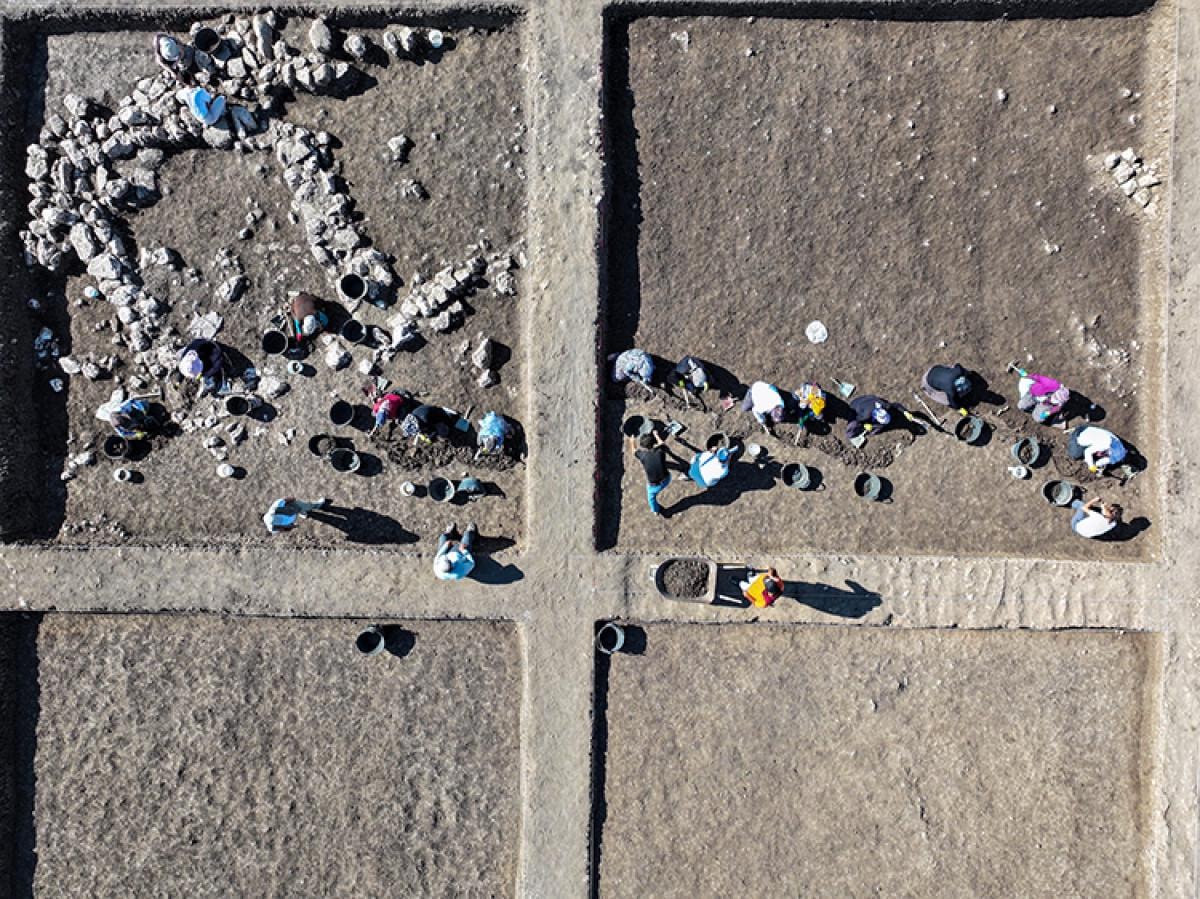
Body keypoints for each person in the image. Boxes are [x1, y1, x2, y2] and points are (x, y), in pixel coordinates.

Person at [629, 430, 683, 516]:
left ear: (643, 447)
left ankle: (655, 510)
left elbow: (634, 451)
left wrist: (632, 441)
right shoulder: (661, 450)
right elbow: (662, 443)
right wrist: (656, 435)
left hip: (655, 486)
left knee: (651, 498)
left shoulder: (643, 456)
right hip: (667, 478)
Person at [846, 395, 916, 440]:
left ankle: (878, 426)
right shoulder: (864, 416)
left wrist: (905, 412)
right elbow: (856, 420)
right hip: (854, 406)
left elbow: (896, 405)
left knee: (878, 426)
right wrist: (864, 426)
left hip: (868, 399)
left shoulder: (885, 406)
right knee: (852, 431)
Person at [263, 497, 329, 534]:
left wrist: (293, 526)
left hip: (291, 520)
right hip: (292, 511)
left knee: (291, 509)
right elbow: (285, 500)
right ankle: (318, 505)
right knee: (302, 505)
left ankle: (303, 513)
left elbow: (283, 529)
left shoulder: (270, 528)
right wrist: (293, 499)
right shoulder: (273, 508)